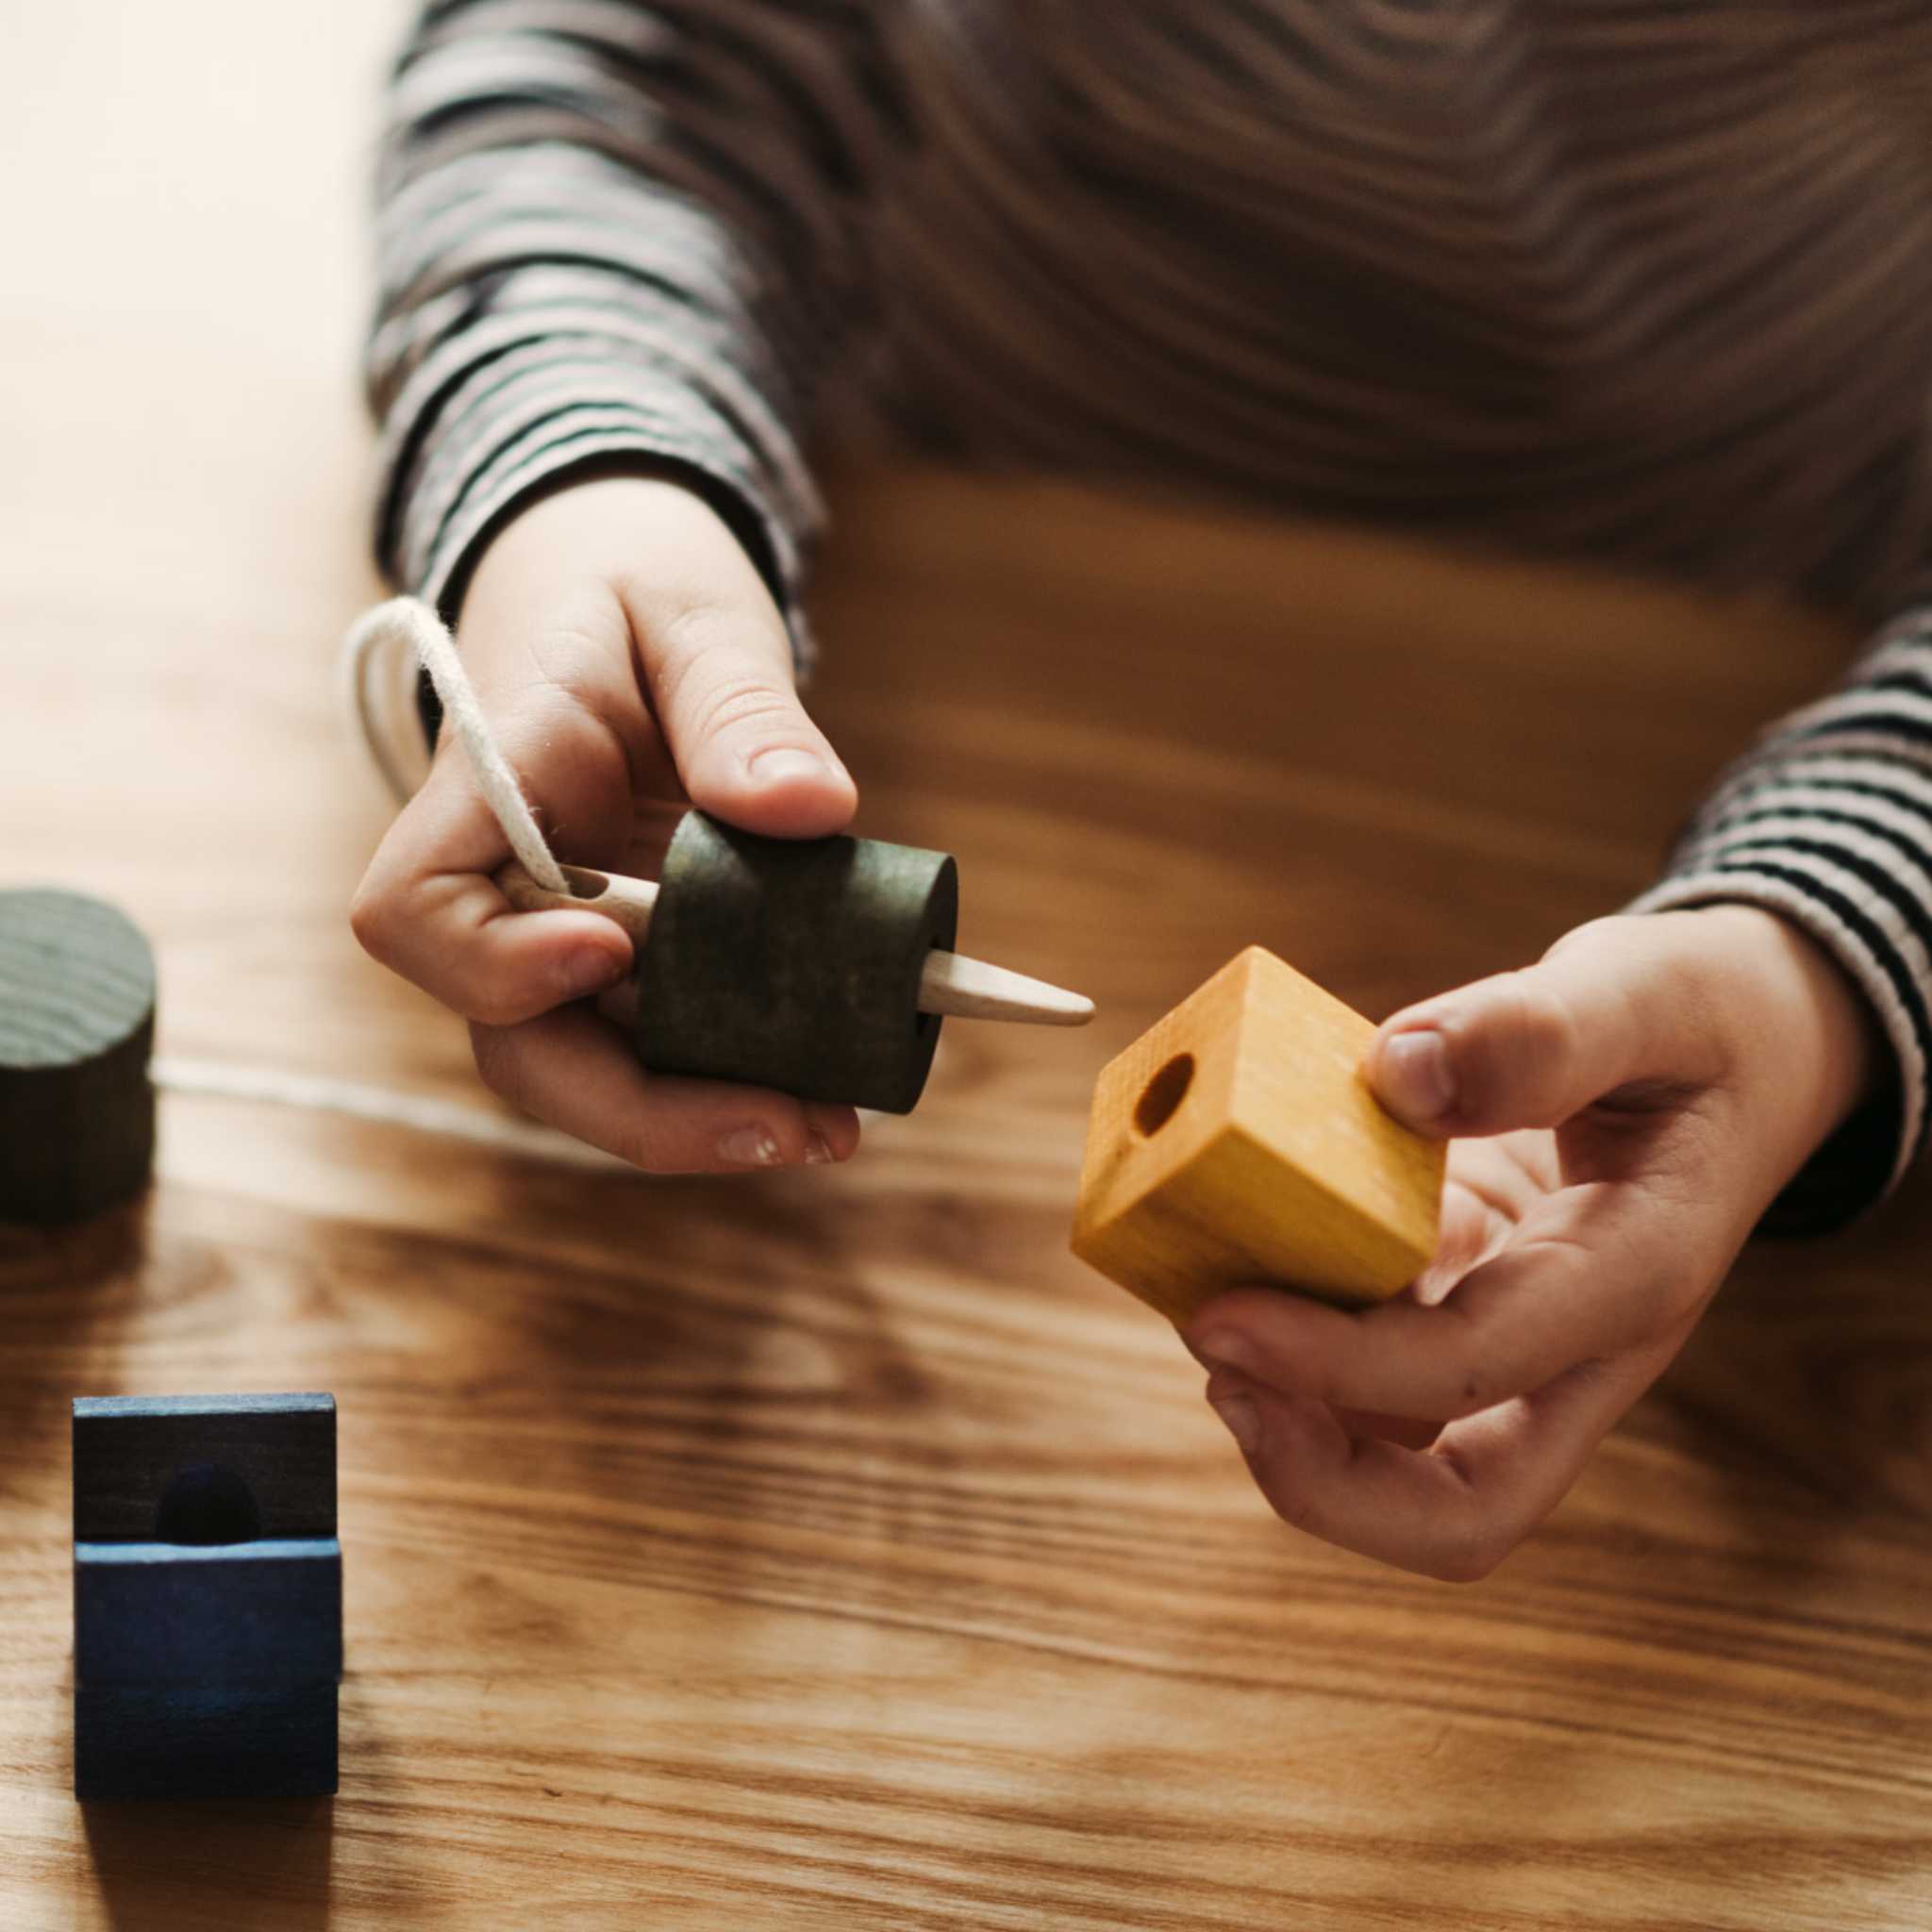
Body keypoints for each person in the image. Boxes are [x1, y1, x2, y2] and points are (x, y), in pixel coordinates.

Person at [349, 2, 1931, 1579]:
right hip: (935, 481)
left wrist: (1837, 937)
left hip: (1759, 598)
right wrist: (587, 474)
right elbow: (612, 67)